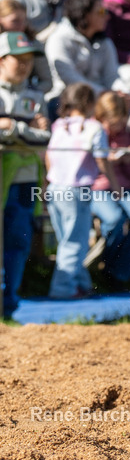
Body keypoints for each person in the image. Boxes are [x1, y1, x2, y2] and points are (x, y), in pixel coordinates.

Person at [46, 84, 114, 298]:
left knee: (67, 241)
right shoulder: (94, 127)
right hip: (77, 190)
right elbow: (102, 159)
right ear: (90, 104)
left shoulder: (59, 125)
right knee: (75, 242)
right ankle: (62, 289)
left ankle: (81, 283)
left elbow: (48, 156)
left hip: (55, 188)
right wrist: (116, 184)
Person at [0, 32, 50, 315]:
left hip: (24, 180)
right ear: (1, 60)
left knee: (18, 239)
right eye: (18, 59)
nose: (24, 65)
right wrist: (25, 128)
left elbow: (44, 137)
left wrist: (12, 128)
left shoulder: (35, 97)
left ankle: (10, 301)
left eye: (29, 60)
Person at [90, 91, 130, 290]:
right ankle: (106, 265)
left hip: (124, 187)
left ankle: (120, 272)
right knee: (114, 219)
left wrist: (128, 160)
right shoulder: (91, 131)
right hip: (97, 188)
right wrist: (104, 163)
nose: (114, 127)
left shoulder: (126, 135)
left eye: (118, 122)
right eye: (111, 122)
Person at [44, 0, 120, 103]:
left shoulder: (105, 42)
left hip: (102, 100)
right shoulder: (59, 39)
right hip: (67, 99)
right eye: (101, 11)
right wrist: (102, 93)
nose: (107, 16)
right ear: (84, 14)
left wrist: (122, 91)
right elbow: (70, 79)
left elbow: (112, 77)